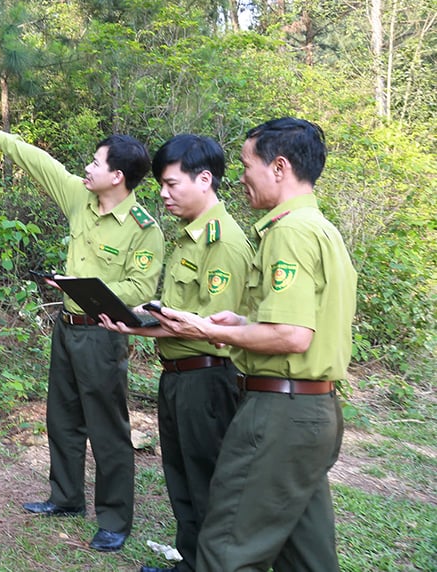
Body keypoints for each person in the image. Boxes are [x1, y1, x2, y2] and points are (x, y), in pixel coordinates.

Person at [129, 117, 356, 571]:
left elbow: (291, 336)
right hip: (315, 411)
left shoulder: (288, 232)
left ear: (279, 167)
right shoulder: (319, 227)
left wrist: (209, 331)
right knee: (306, 554)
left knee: (226, 549)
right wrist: (243, 321)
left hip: (280, 414)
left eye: (248, 164)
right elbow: (300, 323)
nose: (242, 176)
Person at [0, 115, 163, 553]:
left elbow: (139, 290)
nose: (87, 169)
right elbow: (41, 163)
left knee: (108, 429)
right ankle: (66, 497)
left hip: (104, 333)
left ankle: (114, 519)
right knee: (62, 417)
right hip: (67, 328)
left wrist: (84, 289)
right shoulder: (80, 197)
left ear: (118, 176)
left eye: (96, 163)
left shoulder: (145, 230)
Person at [100, 134, 252, 572]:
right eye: (161, 187)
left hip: (207, 378)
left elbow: (207, 327)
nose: (164, 195)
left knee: (207, 482)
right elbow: (180, 315)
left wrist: (140, 326)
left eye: (172, 184)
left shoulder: (221, 243)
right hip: (179, 375)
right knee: (182, 479)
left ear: (204, 180)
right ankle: (189, 563)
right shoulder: (190, 237)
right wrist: (138, 321)